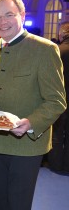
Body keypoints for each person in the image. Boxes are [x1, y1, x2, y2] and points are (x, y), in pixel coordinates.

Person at [0, 0, 66, 210]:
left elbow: (56, 101)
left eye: (9, 15)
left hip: (27, 145)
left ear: (22, 15)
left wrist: (30, 123)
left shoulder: (45, 49)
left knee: (18, 204)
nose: (3, 22)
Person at [47, 21, 69, 174]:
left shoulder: (58, 51)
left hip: (59, 98)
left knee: (56, 133)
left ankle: (56, 165)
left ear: (61, 35)